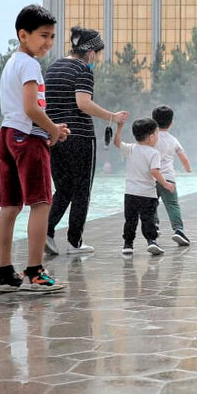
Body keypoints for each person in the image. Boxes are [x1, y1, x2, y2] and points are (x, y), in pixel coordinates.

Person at [0, 4, 69, 293]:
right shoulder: (30, 65)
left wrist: (49, 126)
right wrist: (53, 129)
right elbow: (31, 107)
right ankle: (35, 272)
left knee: (10, 205)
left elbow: (21, 109)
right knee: (41, 203)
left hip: (7, 134)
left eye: (51, 36)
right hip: (28, 137)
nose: (48, 43)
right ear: (23, 35)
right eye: (43, 36)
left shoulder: (12, 63)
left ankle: (4, 272)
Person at [44, 26, 129, 257]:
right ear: (91, 52)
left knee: (63, 188)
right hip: (79, 137)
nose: (97, 59)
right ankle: (75, 242)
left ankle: (47, 231)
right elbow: (83, 103)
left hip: (54, 135)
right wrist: (112, 116)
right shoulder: (83, 69)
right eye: (98, 54)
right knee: (82, 190)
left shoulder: (53, 68)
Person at [114, 117, 174, 256]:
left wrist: (120, 127)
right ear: (152, 137)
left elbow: (117, 143)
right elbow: (154, 171)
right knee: (148, 219)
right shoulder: (154, 153)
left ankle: (128, 245)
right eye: (157, 133)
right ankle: (151, 241)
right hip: (147, 194)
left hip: (130, 194)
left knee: (130, 220)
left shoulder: (130, 149)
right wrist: (165, 184)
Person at [151, 104, 192, 246]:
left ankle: (154, 226)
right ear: (171, 123)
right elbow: (183, 157)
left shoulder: (150, 139)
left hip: (151, 178)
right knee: (173, 205)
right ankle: (178, 230)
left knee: (151, 204)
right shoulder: (173, 139)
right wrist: (188, 169)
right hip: (168, 178)